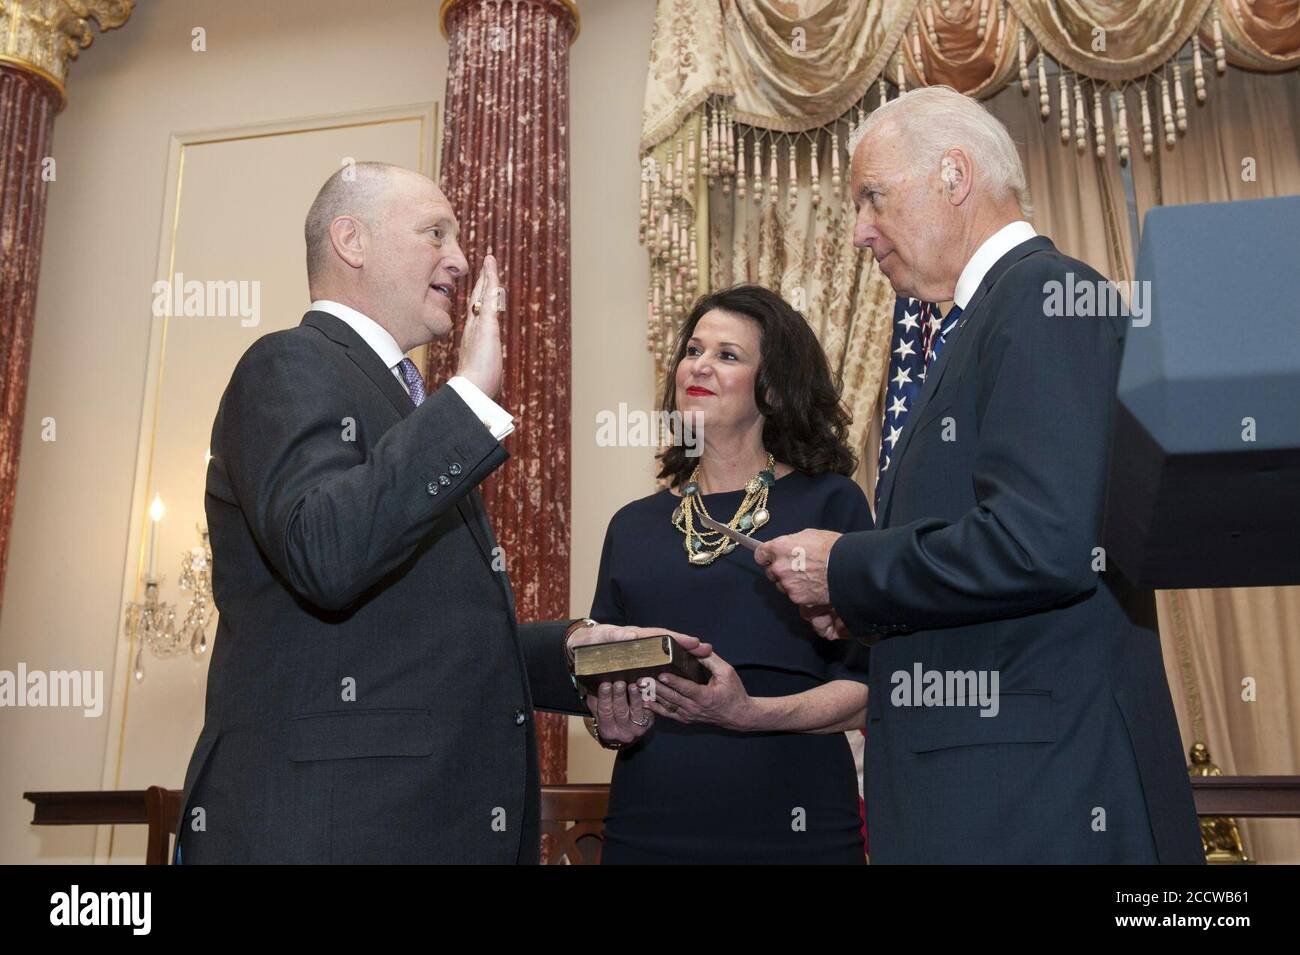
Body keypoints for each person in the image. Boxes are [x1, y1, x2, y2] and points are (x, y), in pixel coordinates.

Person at [175, 162, 701, 863]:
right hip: (328, 831)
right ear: (350, 240)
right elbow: (325, 552)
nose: (457, 258)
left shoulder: (410, 407)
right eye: (435, 233)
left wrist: (574, 653)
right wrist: (471, 397)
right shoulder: (287, 363)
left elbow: (423, 641)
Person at [756, 87, 1203, 863]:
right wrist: (857, 605)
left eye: (873, 197)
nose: (861, 232)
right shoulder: (977, 322)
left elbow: (1041, 542)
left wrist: (846, 566)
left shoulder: (1041, 297)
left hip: (1037, 799)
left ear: (954, 175)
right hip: (991, 792)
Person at [589, 285, 871, 864]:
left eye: (727, 355)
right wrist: (608, 720)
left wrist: (749, 715)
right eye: (693, 350)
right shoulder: (632, 526)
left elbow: (870, 690)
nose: (700, 365)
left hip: (794, 827)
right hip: (648, 827)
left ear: (771, 388)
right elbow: (603, 677)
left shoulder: (831, 506)